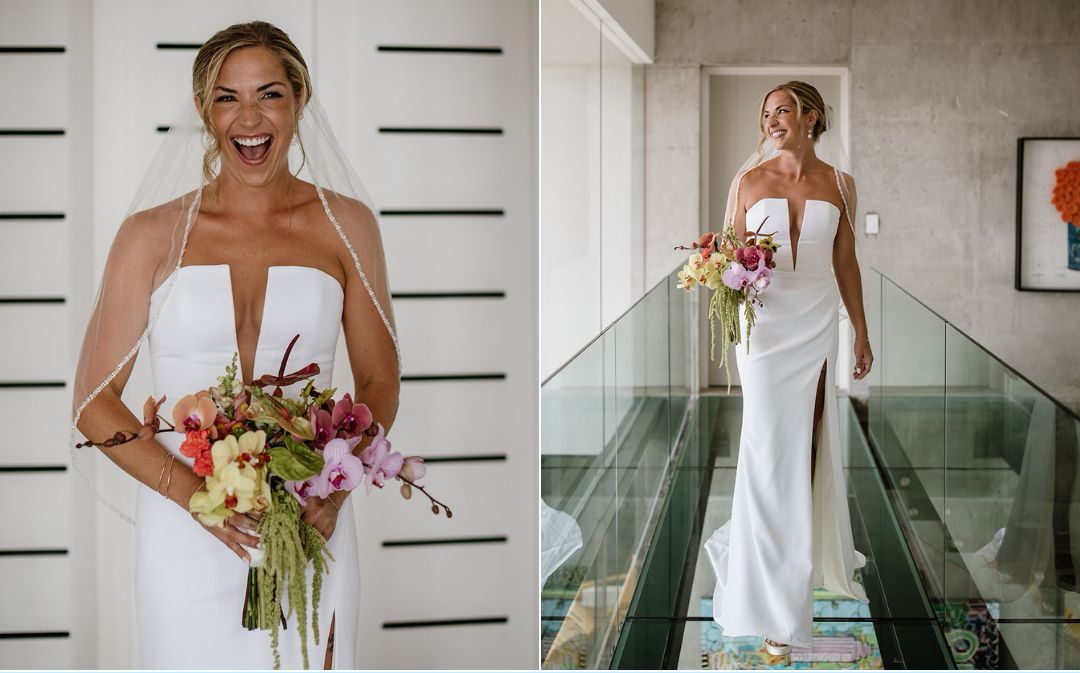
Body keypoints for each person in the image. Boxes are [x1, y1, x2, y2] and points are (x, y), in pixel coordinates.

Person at [70, 21, 399, 668]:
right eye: (227, 97)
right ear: (203, 110)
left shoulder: (347, 225)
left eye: (269, 93)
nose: (249, 117)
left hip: (310, 520)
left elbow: (379, 381)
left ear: (300, 101)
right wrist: (193, 494)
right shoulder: (149, 235)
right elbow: (92, 401)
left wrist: (336, 487)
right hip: (183, 529)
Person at [703, 81, 873, 656]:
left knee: (804, 451)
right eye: (766, 113)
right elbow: (725, 259)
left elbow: (846, 262)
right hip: (766, 331)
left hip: (815, 326)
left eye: (783, 110)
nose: (773, 120)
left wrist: (862, 333)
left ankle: (788, 599)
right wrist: (727, 282)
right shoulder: (748, 183)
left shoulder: (841, 185)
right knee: (766, 449)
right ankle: (767, 595)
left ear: (811, 117)